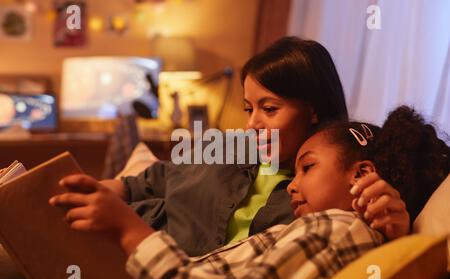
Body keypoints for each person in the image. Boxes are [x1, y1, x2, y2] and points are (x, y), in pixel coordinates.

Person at [49, 106, 450, 279]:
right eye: (247, 107)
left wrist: (129, 231)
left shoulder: (338, 227)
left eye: (307, 168)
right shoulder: (236, 158)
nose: (252, 123)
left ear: (361, 174)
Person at [77, 37, 407, 257]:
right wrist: (102, 190)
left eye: (270, 108)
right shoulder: (228, 147)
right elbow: (148, 180)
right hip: (105, 245)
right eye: (250, 108)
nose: (252, 124)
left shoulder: (328, 188)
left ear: (313, 109)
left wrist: (395, 228)